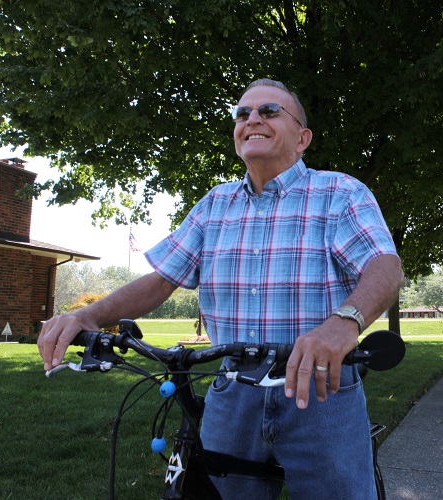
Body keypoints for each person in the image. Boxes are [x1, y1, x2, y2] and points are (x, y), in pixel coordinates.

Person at [38, 78, 404, 499]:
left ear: (302, 138)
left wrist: (344, 324)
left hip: (320, 390)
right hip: (230, 392)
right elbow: (161, 280)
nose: (252, 119)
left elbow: (384, 266)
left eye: (269, 111)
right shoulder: (216, 203)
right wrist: (86, 316)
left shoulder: (340, 192)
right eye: (242, 113)